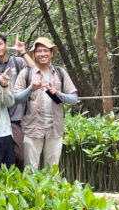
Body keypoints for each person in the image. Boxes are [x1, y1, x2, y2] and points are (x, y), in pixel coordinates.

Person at [14, 38, 78, 170]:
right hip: (32, 128)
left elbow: (73, 99)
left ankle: (51, 191)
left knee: (52, 170)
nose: (42, 54)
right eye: (39, 51)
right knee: (30, 169)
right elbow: (16, 99)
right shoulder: (25, 73)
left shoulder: (60, 73)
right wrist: (31, 88)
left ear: (51, 53)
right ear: (33, 54)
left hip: (55, 130)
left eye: (45, 50)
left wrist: (58, 93)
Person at [0, 33, 35, 168]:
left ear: (5, 45)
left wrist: (23, 52)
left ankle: (17, 183)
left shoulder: (17, 62)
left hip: (15, 117)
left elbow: (35, 71)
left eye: (0, 44)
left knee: (19, 155)